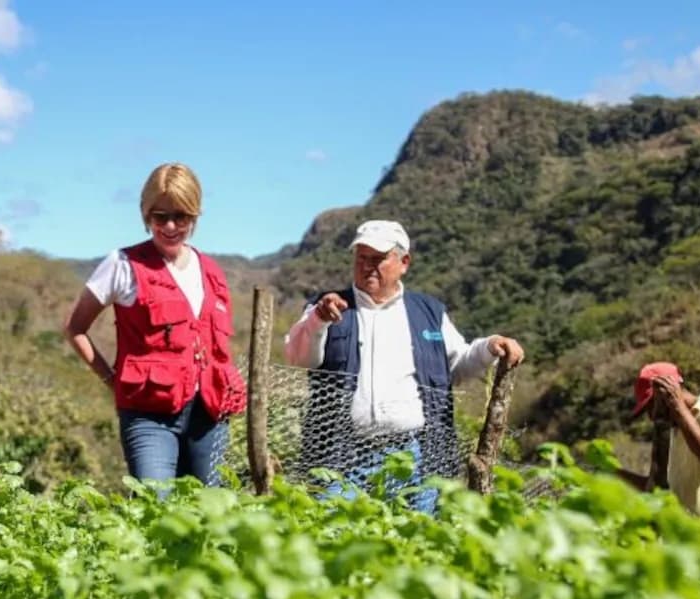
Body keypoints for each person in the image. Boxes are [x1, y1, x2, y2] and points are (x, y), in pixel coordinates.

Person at [284, 220, 523, 511]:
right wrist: (319, 320)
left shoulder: (429, 312)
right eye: (361, 257)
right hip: (339, 457)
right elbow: (298, 357)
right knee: (331, 531)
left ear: (404, 262)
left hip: (413, 457)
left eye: (378, 259)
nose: (367, 266)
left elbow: (456, 365)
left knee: (413, 533)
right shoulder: (327, 306)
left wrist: (489, 347)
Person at [62, 163, 246, 490]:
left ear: (195, 215)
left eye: (181, 217)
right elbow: (75, 328)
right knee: (153, 504)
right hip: (148, 415)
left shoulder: (212, 271)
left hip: (209, 416)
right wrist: (111, 380)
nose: (171, 226)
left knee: (210, 508)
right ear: (146, 215)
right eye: (160, 217)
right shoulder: (122, 265)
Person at [617, 362, 700, 554]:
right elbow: (657, 489)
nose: (651, 416)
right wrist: (613, 474)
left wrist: (677, 407)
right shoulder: (671, 430)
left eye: (651, 406)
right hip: (686, 544)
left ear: (670, 393)